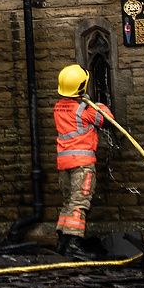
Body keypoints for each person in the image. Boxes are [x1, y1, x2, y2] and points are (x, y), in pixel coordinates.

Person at [52, 63, 110, 258]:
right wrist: (99, 104)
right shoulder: (85, 110)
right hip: (82, 165)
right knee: (80, 204)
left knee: (69, 202)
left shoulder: (58, 108)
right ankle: (74, 243)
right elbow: (104, 119)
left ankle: (63, 240)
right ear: (81, 87)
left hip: (64, 165)